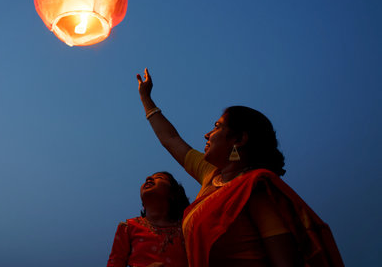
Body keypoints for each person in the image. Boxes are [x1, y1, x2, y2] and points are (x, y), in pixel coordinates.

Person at [136, 68, 344, 267]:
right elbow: (171, 139)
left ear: (239, 139)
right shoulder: (211, 175)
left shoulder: (254, 190)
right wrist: (146, 98)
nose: (207, 135)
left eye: (217, 127)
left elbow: (285, 262)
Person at [107, 171, 190, 267]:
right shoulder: (128, 227)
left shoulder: (186, 229)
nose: (148, 178)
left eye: (160, 177)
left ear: (173, 194)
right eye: (148, 178)